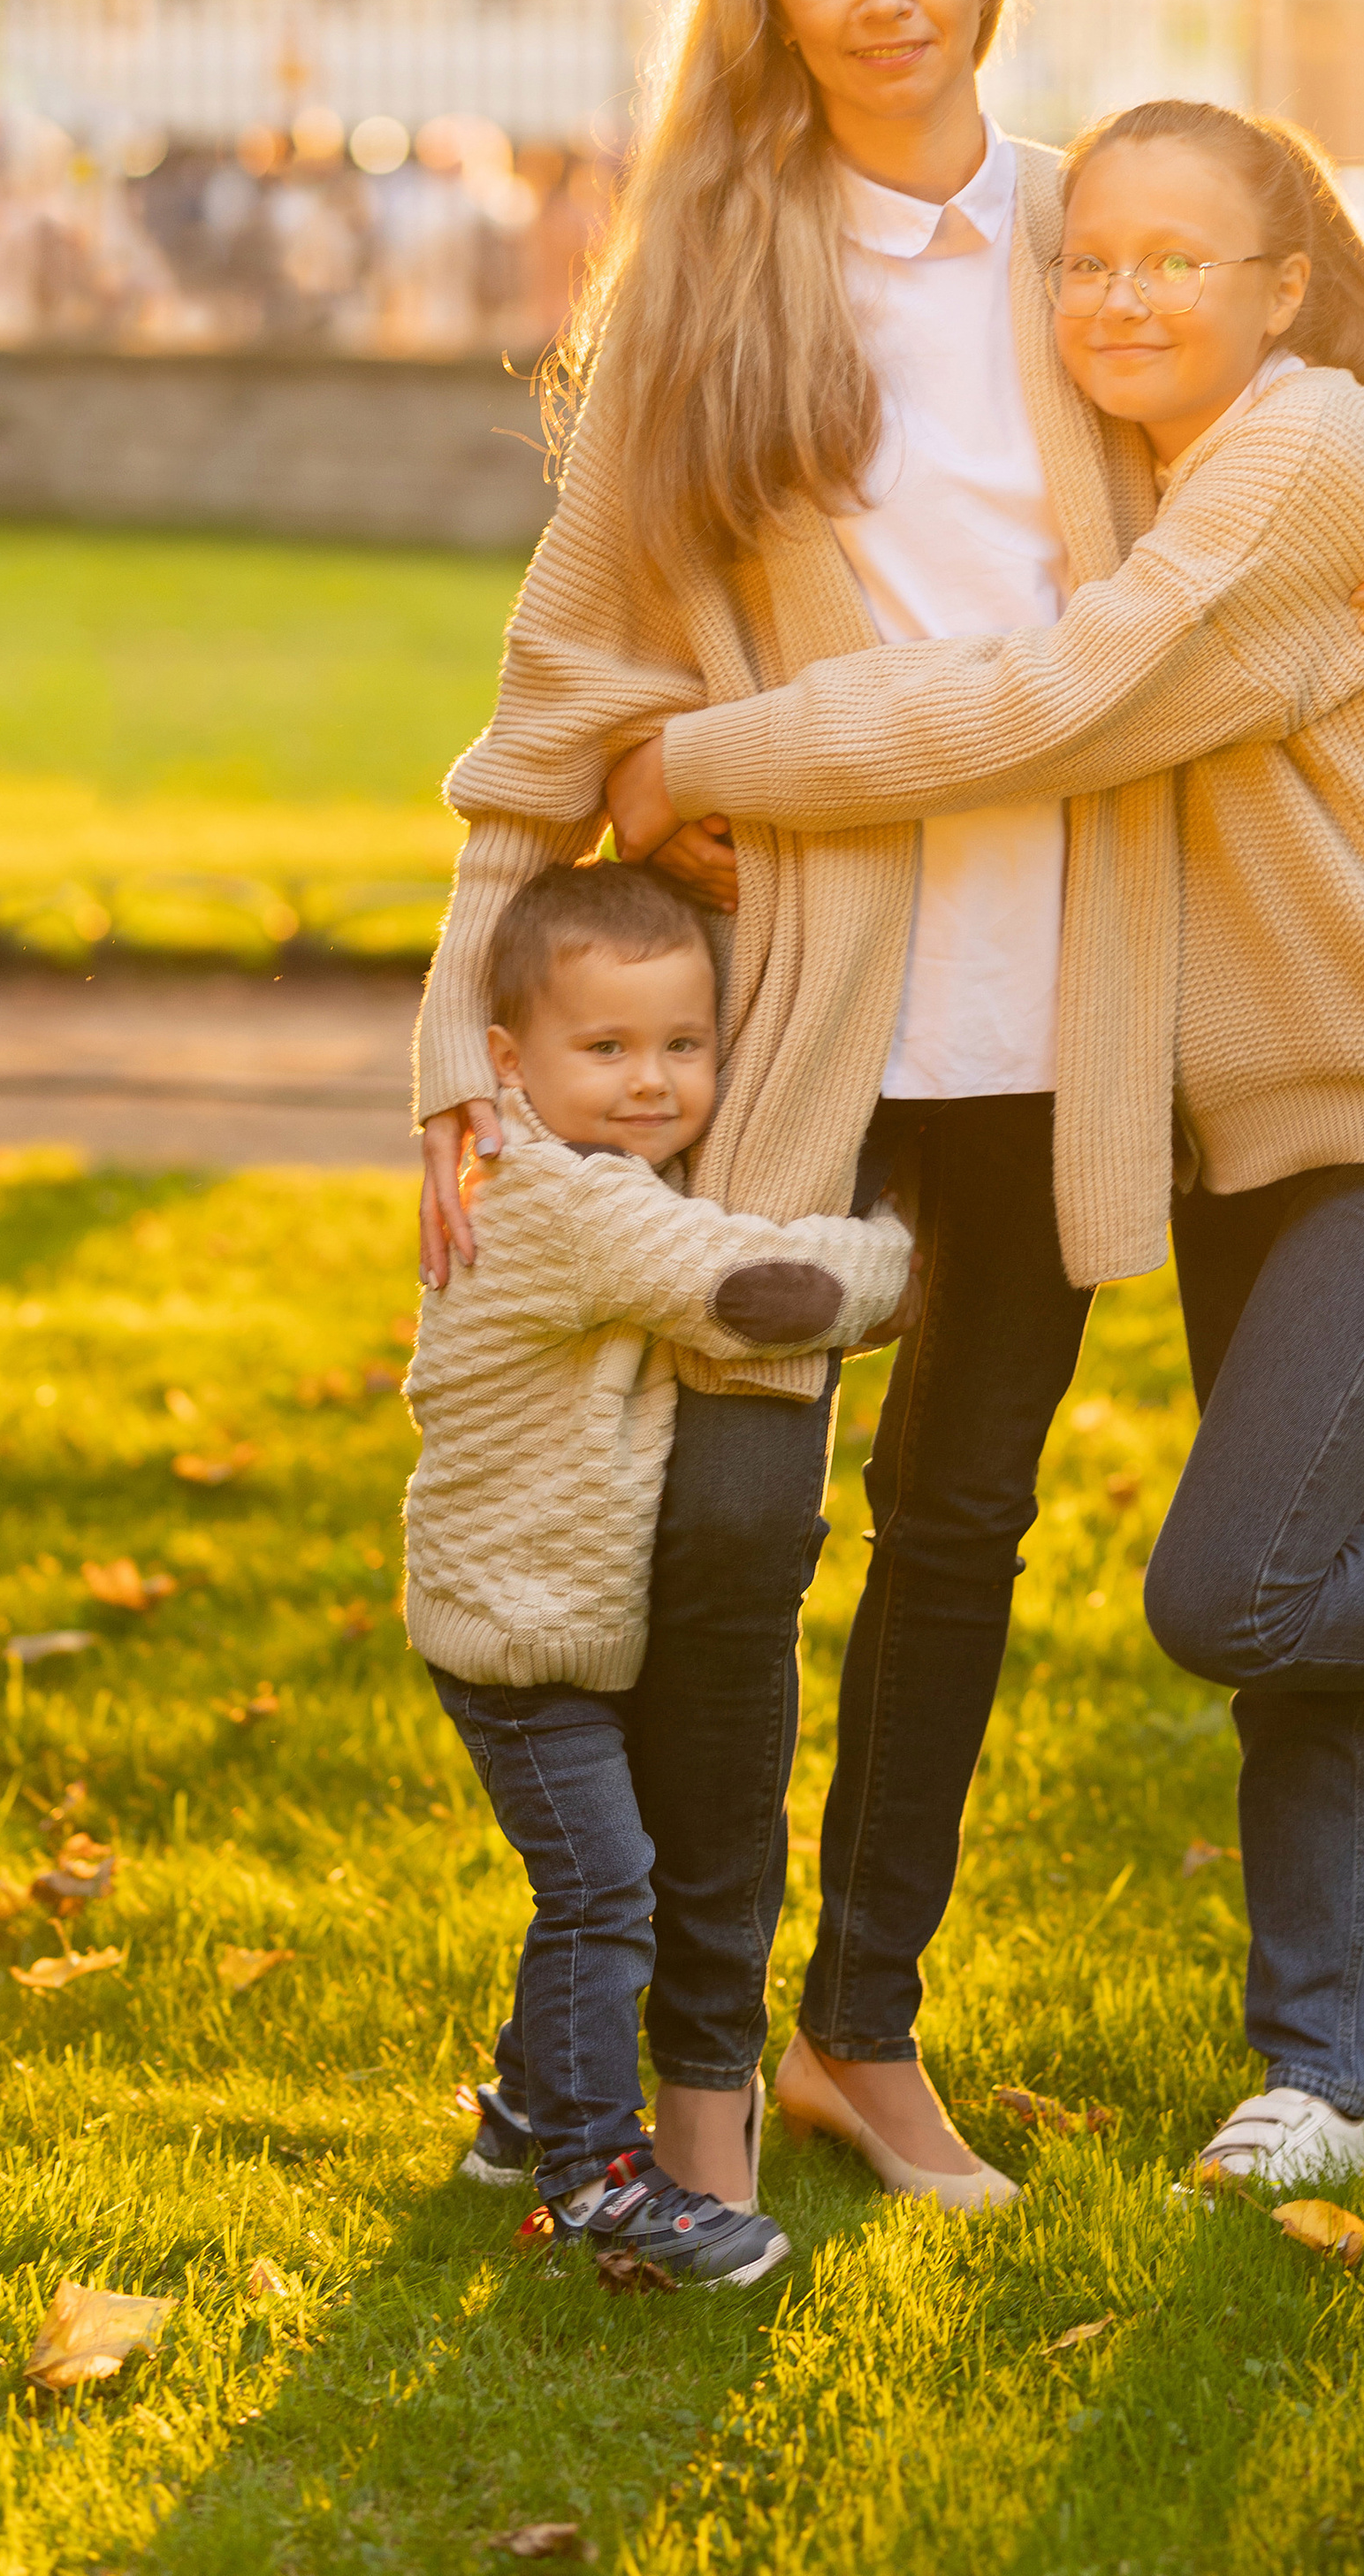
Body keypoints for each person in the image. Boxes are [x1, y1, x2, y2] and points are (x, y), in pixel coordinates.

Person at [412, 0, 1364, 2216]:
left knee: (965, 1531)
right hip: (806, 1009)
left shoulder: (1090, 230)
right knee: (731, 1526)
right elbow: (562, 674)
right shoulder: (705, 272)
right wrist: (456, 1025)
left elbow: (1357, 428)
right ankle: (653, 2048)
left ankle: (861, 2038)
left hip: (1065, 1008)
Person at [607, 96, 1364, 2184]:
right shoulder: (1181, 465)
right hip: (1242, 1120)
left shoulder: (1295, 457)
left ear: (1279, 287)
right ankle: (1316, 2079)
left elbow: (1057, 698)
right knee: (1312, 1581)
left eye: (1178, 260)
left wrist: (698, 757)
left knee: (1238, 1588)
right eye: (1089, 259)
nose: (1120, 293)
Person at [403, 858, 911, 2277]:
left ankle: (517, 2103)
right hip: (522, 1643)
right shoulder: (561, 1201)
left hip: (554, 1614)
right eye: (607, 1047)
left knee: (589, 1868)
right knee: (603, 1888)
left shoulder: (580, 1168)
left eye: (684, 1046)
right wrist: (906, 1250)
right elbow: (762, 1294)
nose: (650, 1082)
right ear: (508, 1061)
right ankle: (596, 2176)